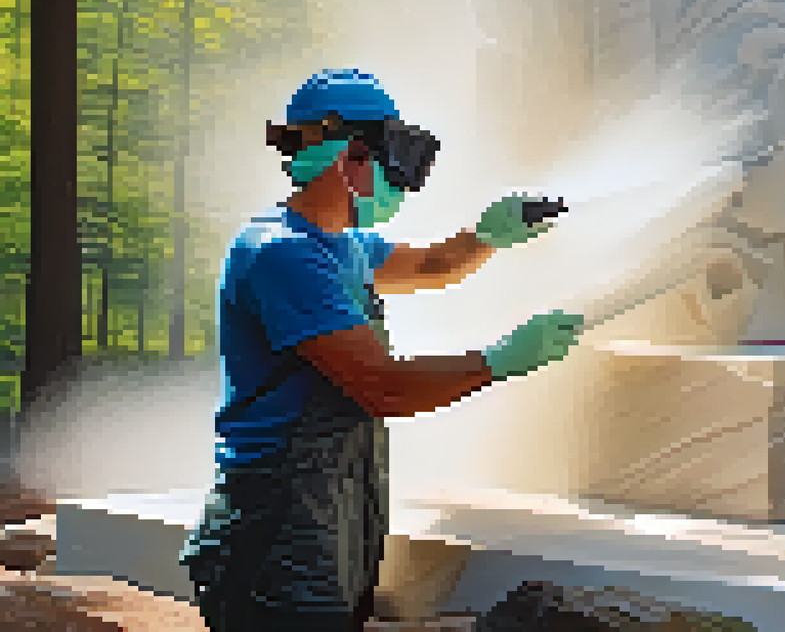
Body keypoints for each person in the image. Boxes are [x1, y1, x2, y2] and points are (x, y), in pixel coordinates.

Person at [179, 69, 583, 632]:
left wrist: (487, 235)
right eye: (395, 157)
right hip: (279, 522)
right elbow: (382, 386)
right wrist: (498, 361)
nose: (403, 178)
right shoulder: (285, 255)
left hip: (332, 507)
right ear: (351, 159)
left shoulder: (345, 245)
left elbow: (432, 265)